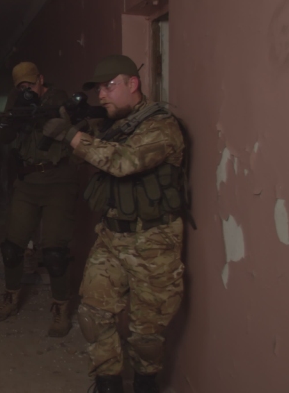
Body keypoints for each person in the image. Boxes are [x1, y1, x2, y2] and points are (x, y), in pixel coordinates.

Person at [42, 54, 189, 393]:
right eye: (99, 90)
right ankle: (108, 383)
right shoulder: (117, 125)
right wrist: (81, 125)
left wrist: (72, 137)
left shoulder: (160, 126)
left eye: (109, 87)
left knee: (146, 332)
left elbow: (124, 162)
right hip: (111, 237)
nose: (102, 96)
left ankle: (145, 382)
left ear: (132, 84)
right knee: (93, 315)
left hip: (153, 241)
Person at [0, 61, 80, 337]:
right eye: (21, 87)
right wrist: (16, 116)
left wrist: (46, 116)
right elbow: (4, 136)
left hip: (58, 181)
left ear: (41, 79)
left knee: (54, 252)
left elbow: (76, 131)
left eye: (30, 85)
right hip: (27, 182)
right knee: (11, 246)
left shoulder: (59, 100)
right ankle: (11, 297)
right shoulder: (17, 102)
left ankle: (61, 308)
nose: (27, 90)